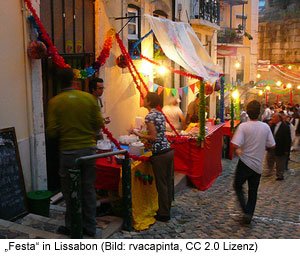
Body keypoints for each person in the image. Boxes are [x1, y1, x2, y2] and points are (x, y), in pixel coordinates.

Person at [47, 68, 104, 237]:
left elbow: (51, 132)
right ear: (74, 81)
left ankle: (72, 227)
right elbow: (98, 123)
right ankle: (90, 227)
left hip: (69, 153)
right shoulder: (88, 99)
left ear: (59, 83)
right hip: (89, 151)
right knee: (88, 190)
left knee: (70, 191)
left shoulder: (55, 102)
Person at [130, 92, 174, 222]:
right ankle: (167, 208)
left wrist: (137, 133)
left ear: (149, 102)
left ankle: (164, 214)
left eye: (145, 98)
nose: (143, 100)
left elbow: (154, 137)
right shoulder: (160, 114)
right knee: (167, 182)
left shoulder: (149, 116)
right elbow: (160, 133)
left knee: (161, 184)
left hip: (160, 153)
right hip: (168, 149)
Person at [231, 100, 275, 225]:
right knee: (253, 191)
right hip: (257, 164)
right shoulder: (265, 127)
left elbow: (234, 143)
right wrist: (262, 146)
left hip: (245, 162)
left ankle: (246, 210)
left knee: (238, 186)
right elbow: (272, 144)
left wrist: (239, 150)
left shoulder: (243, 126)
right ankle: (249, 213)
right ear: (260, 112)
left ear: (248, 113)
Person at [265, 112, 291, 180]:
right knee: (269, 159)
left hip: (280, 147)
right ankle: (269, 171)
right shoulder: (272, 126)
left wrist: (286, 150)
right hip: (271, 147)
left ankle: (280, 175)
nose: (272, 118)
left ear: (278, 118)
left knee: (280, 162)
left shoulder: (285, 127)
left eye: (274, 117)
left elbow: (288, 139)